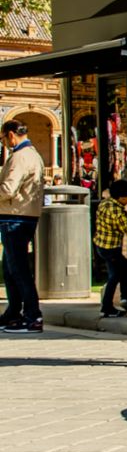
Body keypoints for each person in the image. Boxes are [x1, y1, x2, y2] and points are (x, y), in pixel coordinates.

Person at [0, 120, 45, 334]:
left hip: (15, 215)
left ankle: (32, 315)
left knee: (17, 268)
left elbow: (8, 188)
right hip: (23, 214)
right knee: (10, 268)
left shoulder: (19, 156)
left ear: (10, 135)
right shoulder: (33, 154)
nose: (4, 144)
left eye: (2, 139)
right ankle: (14, 313)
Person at [93, 180, 127, 318]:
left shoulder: (105, 203)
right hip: (111, 248)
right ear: (122, 197)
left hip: (101, 245)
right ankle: (113, 303)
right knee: (117, 274)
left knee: (121, 269)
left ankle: (122, 299)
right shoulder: (116, 210)